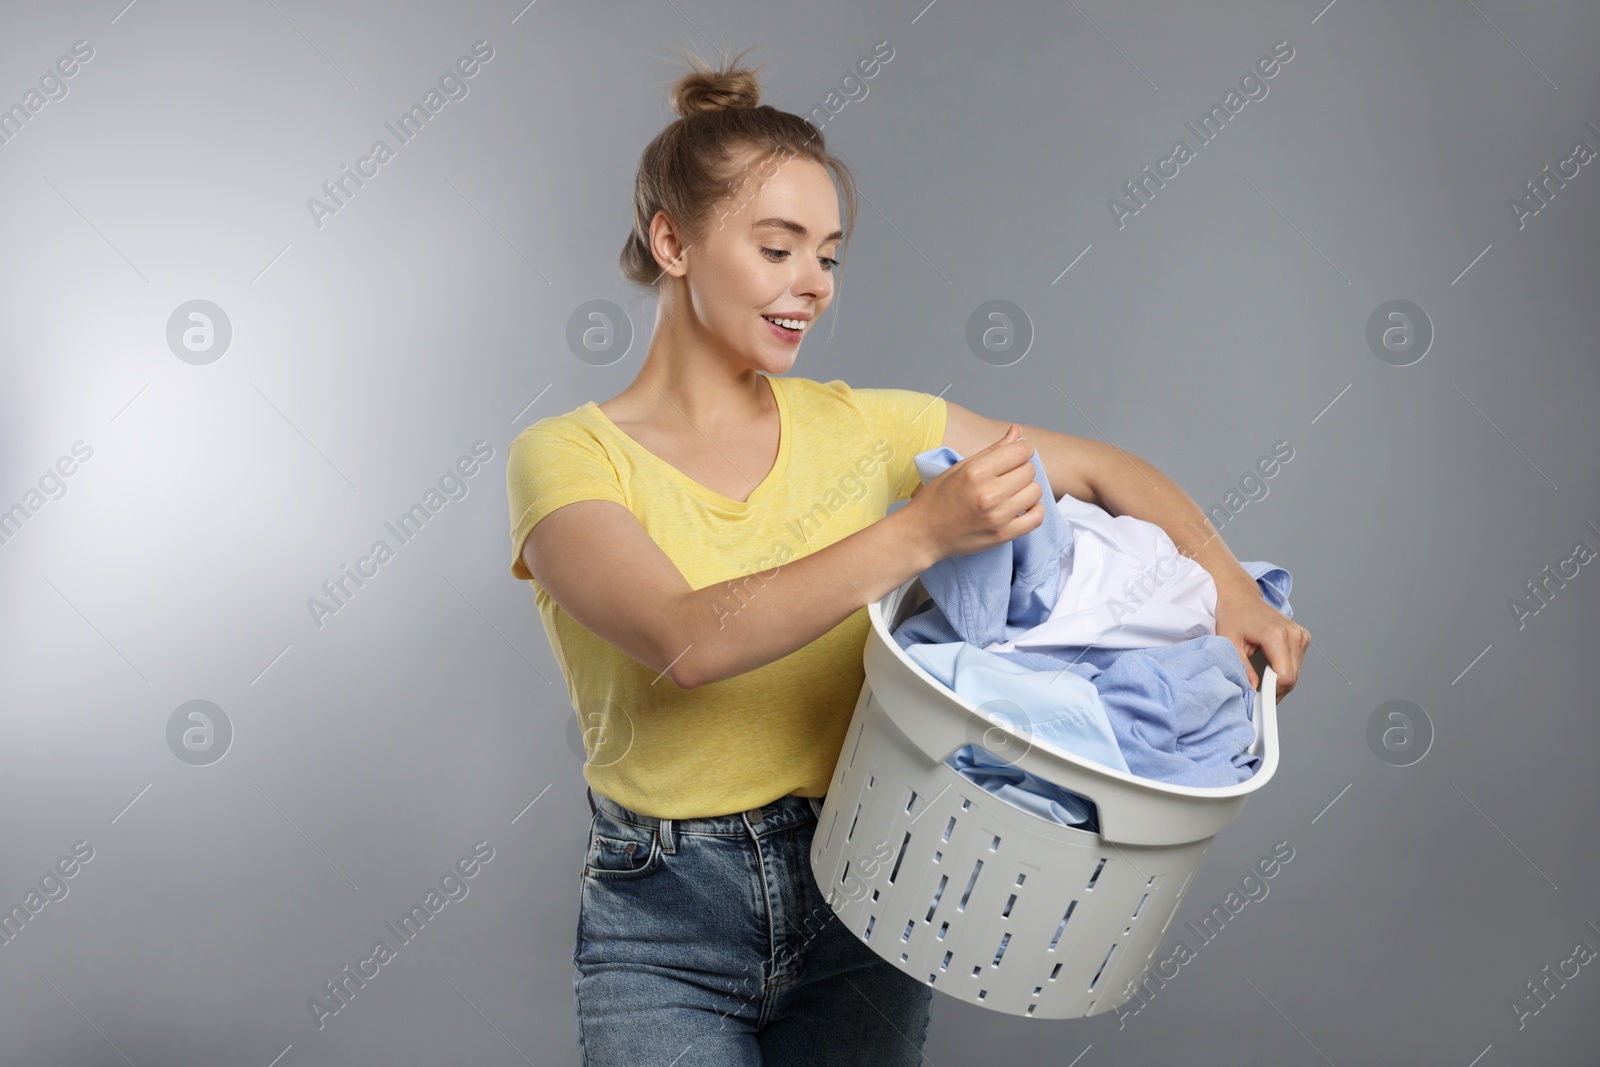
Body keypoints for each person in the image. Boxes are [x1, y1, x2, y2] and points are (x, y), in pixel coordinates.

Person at [505, 46, 1310, 1067]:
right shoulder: (568, 456)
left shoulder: (870, 426)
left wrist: (1234, 591)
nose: (813, 285)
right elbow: (684, 639)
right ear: (671, 239)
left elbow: (1106, 470)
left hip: (866, 885)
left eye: (828, 255)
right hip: (663, 922)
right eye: (778, 247)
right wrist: (922, 531)